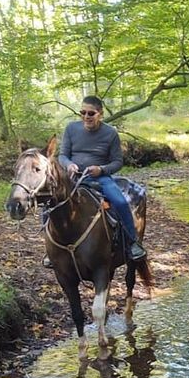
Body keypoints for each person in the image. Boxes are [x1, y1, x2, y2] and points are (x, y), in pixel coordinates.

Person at [52, 95, 146, 263]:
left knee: (120, 202)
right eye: (83, 113)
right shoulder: (71, 129)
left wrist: (101, 169)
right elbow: (63, 155)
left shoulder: (110, 133)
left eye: (91, 113)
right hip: (73, 178)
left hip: (100, 178)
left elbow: (117, 162)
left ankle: (132, 243)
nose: (86, 117)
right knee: (50, 200)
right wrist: (69, 165)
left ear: (100, 114)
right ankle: (51, 248)